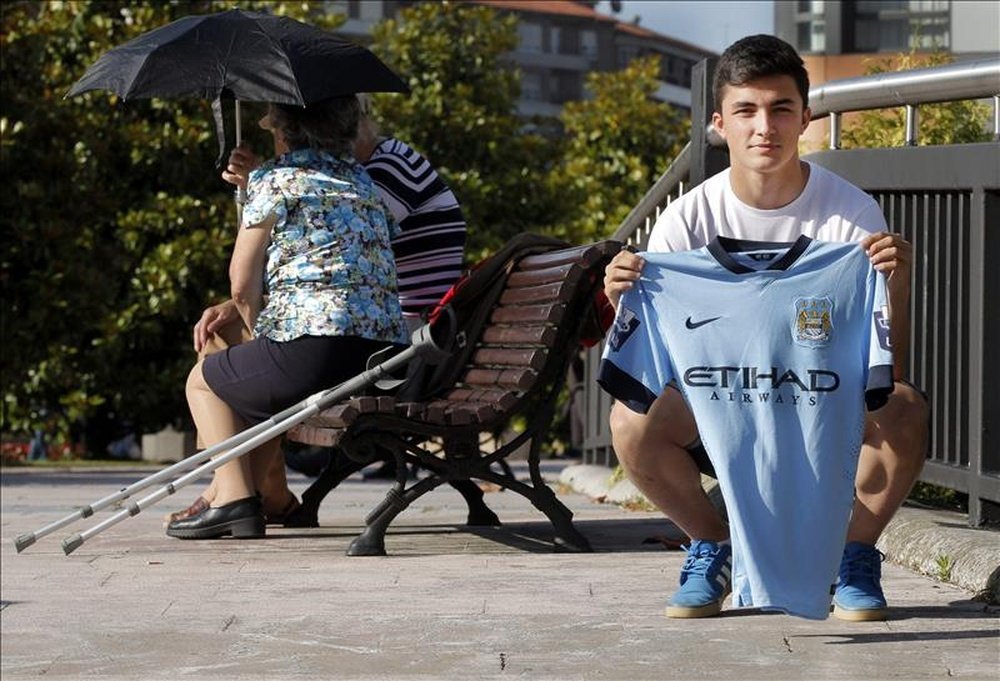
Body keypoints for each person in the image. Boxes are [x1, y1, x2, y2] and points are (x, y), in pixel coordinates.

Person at [601, 34, 928, 620]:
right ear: (719, 123)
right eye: (747, 110)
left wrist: (894, 286)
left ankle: (852, 552)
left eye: (780, 109)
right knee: (629, 419)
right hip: (719, 407)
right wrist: (623, 297)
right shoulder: (686, 217)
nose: (764, 127)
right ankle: (712, 544)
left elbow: (884, 363)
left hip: (818, 410)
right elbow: (659, 354)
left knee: (903, 407)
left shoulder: (851, 214)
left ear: (805, 117)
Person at [168, 95, 466, 518]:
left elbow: (299, 267)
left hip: (409, 341)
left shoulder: (385, 168)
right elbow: (327, 262)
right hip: (381, 338)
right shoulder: (360, 178)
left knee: (218, 372)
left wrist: (265, 184)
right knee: (227, 340)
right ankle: (253, 487)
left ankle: (236, 491)